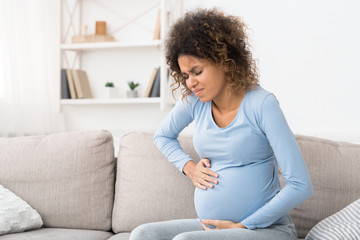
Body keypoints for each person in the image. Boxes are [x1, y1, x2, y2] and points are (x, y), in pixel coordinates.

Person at [129, 8, 313, 240]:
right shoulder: (195, 101)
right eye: (185, 75)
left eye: (197, 71)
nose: (191, 83)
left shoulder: (262, 104)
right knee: (143, 234)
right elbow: (163, 136)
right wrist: (190, 167)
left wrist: (243, 226)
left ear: (224, 61)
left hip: (265, 230)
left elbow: (300, 185)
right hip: (212, 228)